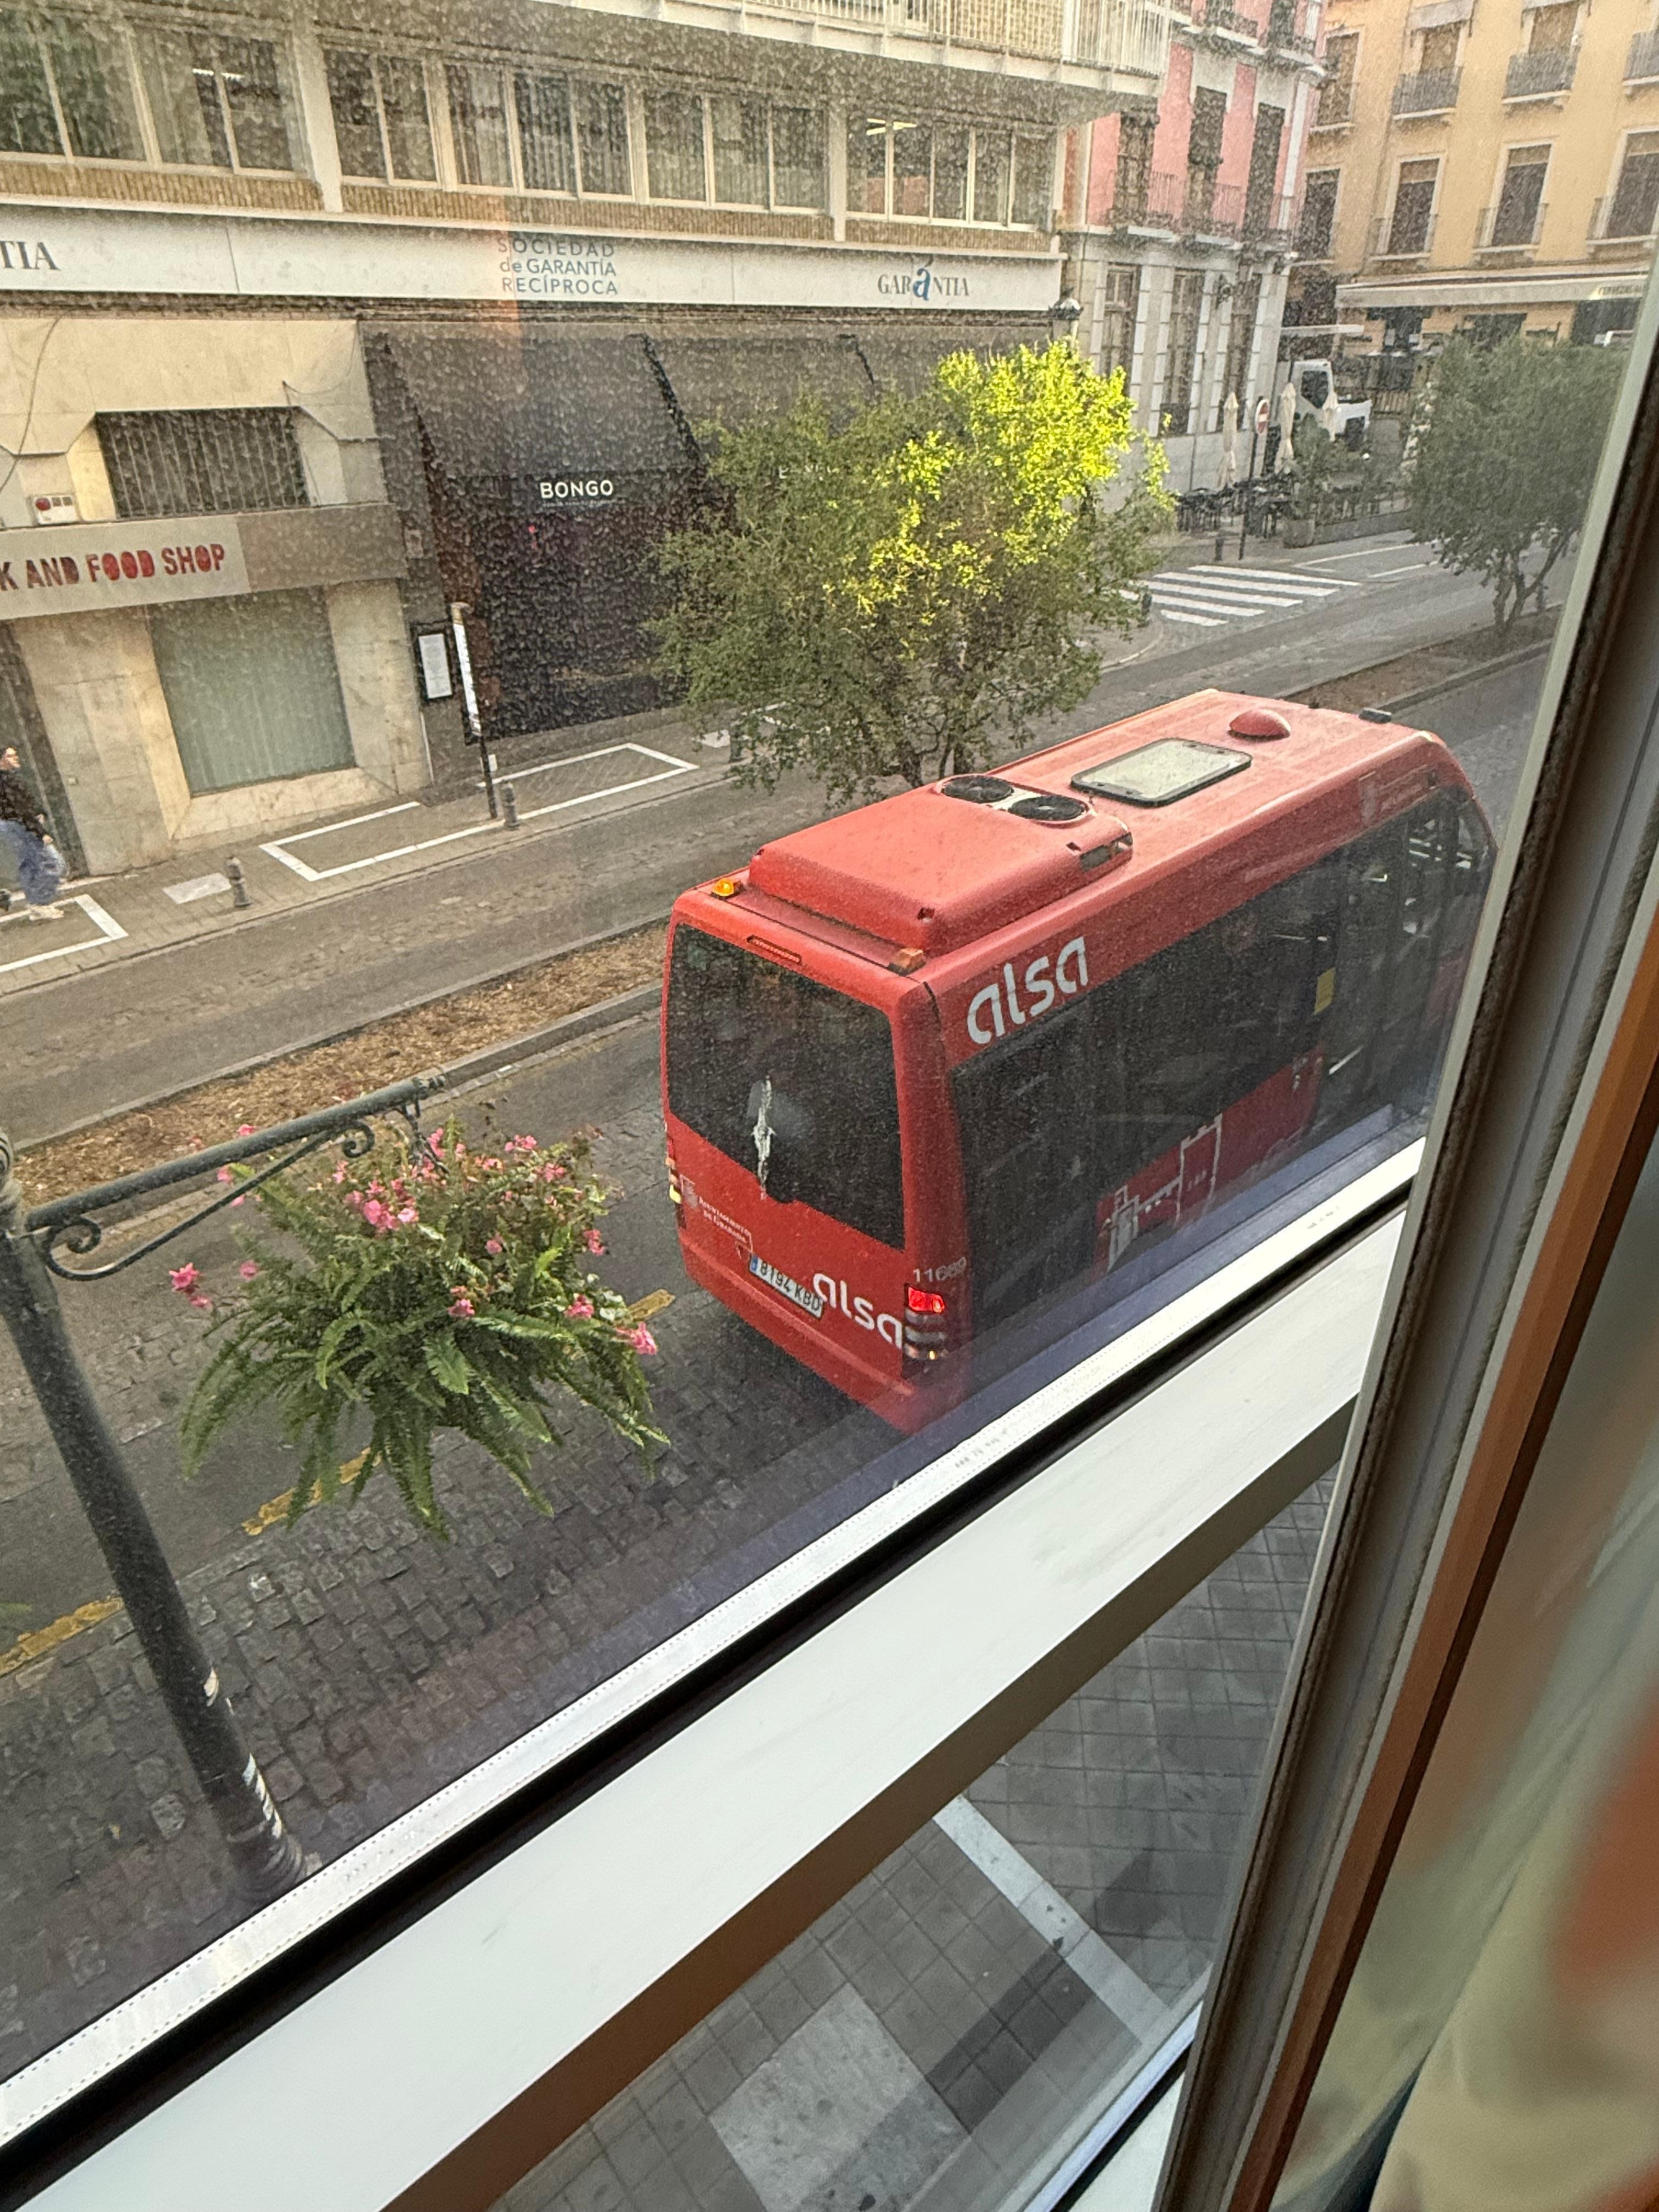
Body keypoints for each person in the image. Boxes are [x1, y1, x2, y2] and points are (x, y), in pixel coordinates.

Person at [0, 743, 65, 921]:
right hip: (20, 826)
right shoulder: (7, 781)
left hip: (12, 825)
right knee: (53, 862)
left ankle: (36, 904)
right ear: (1, 761)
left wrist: (39, 811)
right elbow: (21, 810)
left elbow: (26, 803)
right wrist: (41, 832)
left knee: (29, 864)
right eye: (11, 756)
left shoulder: (10, 777)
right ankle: (40, 903)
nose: (16, 758)